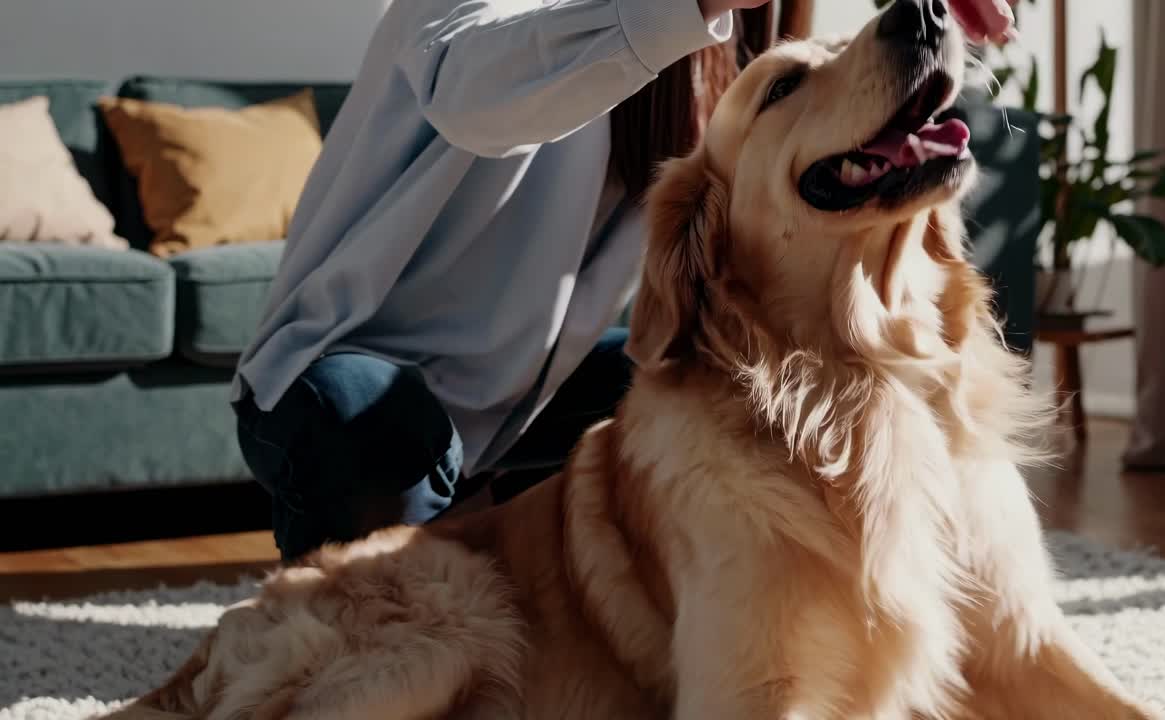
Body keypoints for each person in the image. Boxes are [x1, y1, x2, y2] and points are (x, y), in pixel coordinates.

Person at [232, 0, 1018, 563]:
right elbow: (470, 95)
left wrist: (913, 37)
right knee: (371, 424)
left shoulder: (701, 62)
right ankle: (406, 570)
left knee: (724, 383)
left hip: (515, 412)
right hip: (329, 386)